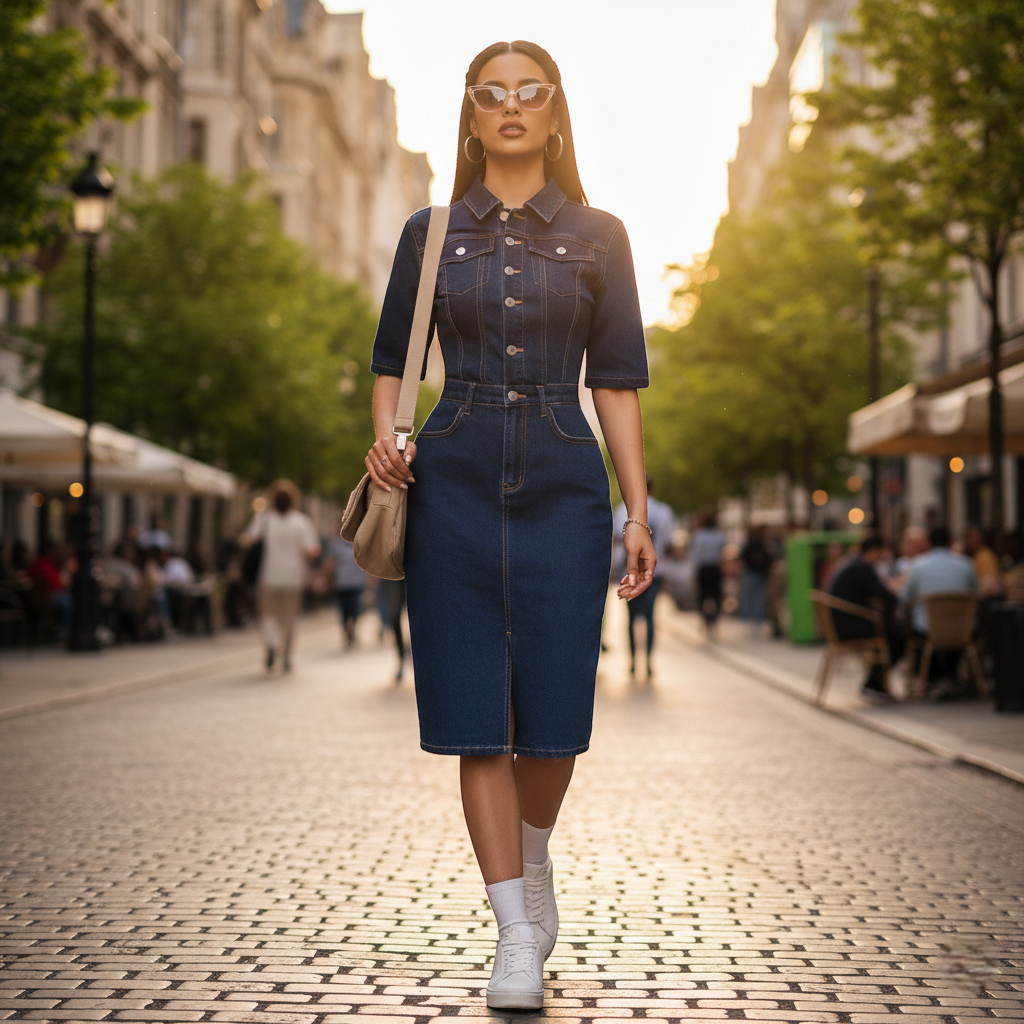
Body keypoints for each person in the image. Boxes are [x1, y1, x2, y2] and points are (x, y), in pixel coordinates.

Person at [363, 40, 654, 1011]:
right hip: (451, 468)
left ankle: (531, 860)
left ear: (556, 111)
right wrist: (385, 441)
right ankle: (514, 932)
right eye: (493, 96)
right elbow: (390, 359)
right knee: (475, 711)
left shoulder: (602, 233)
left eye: (530, 93)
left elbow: (613, 379)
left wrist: (637, 504)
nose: (512, 108)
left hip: (567, 474)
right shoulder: (429, 229)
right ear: (473, 116)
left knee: (556, 712)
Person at [242, 479, 320, 673]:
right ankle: (285, 655)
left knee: (268, 614)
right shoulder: (301, 522)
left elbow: (247, 541)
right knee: (288, 618)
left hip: (267, 576)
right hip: (294, 577)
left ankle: (270, 644)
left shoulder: (263, 520)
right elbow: (312, 550)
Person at [827, 534, 903, 700]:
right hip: (851, 627)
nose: (883, 557)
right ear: (874, 551)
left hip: (842, 623)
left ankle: (875, 682)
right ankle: (874, 683)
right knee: (898, 636)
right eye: (882, 553)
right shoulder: (861, 568)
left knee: (892, 633)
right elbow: (886, 595)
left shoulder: (854, 564)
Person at [902, 525, 977, 691]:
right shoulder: (966, 564)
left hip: (928, 628)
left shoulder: (917, 565)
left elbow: (904, 598)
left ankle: (931, 679)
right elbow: (976, 594)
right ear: (950, 542)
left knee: (915, 631)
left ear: (929, 543)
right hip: (962, 628)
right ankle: (952, 677)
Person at [613, 477, 674, 679]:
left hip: (629, 571)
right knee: (649, 617)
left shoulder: (623, 510)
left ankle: (632, 661)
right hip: (654, 570)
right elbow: (668, 542)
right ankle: (647, 660)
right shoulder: (664, 511)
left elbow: (615, 539)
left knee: (631, 619)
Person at [326, 534, 366, 648]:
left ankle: (352, 632)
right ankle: (347, 633)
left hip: (355, 583)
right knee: (344, 611)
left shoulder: (359, 543)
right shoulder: (336, 545)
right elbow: (330, 564)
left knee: (354, 609)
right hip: (341, 584)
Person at [691, 509, 726, 634]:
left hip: (703, 569)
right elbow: (724, 552)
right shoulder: (719, 535)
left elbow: (695, 556)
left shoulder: (699, 535)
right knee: (716, 596)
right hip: (715, 568)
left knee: (702, 596)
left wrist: (694, 574)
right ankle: (714, 619)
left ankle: (705, 620)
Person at [739, 524, 773, 627]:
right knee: (758, 598)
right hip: (757, 573)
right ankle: (757, 618)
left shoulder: (751, 544)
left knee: (751, 597)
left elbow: (742, 557)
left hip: (752, 573)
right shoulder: (762, 545)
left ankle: (749, 618)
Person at [964, 525, 1002, 596]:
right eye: (969, 536)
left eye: (975, 536)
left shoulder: (985, 555)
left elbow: (989, 583)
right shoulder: (973, 556)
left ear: (982, 538)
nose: (971, 539)